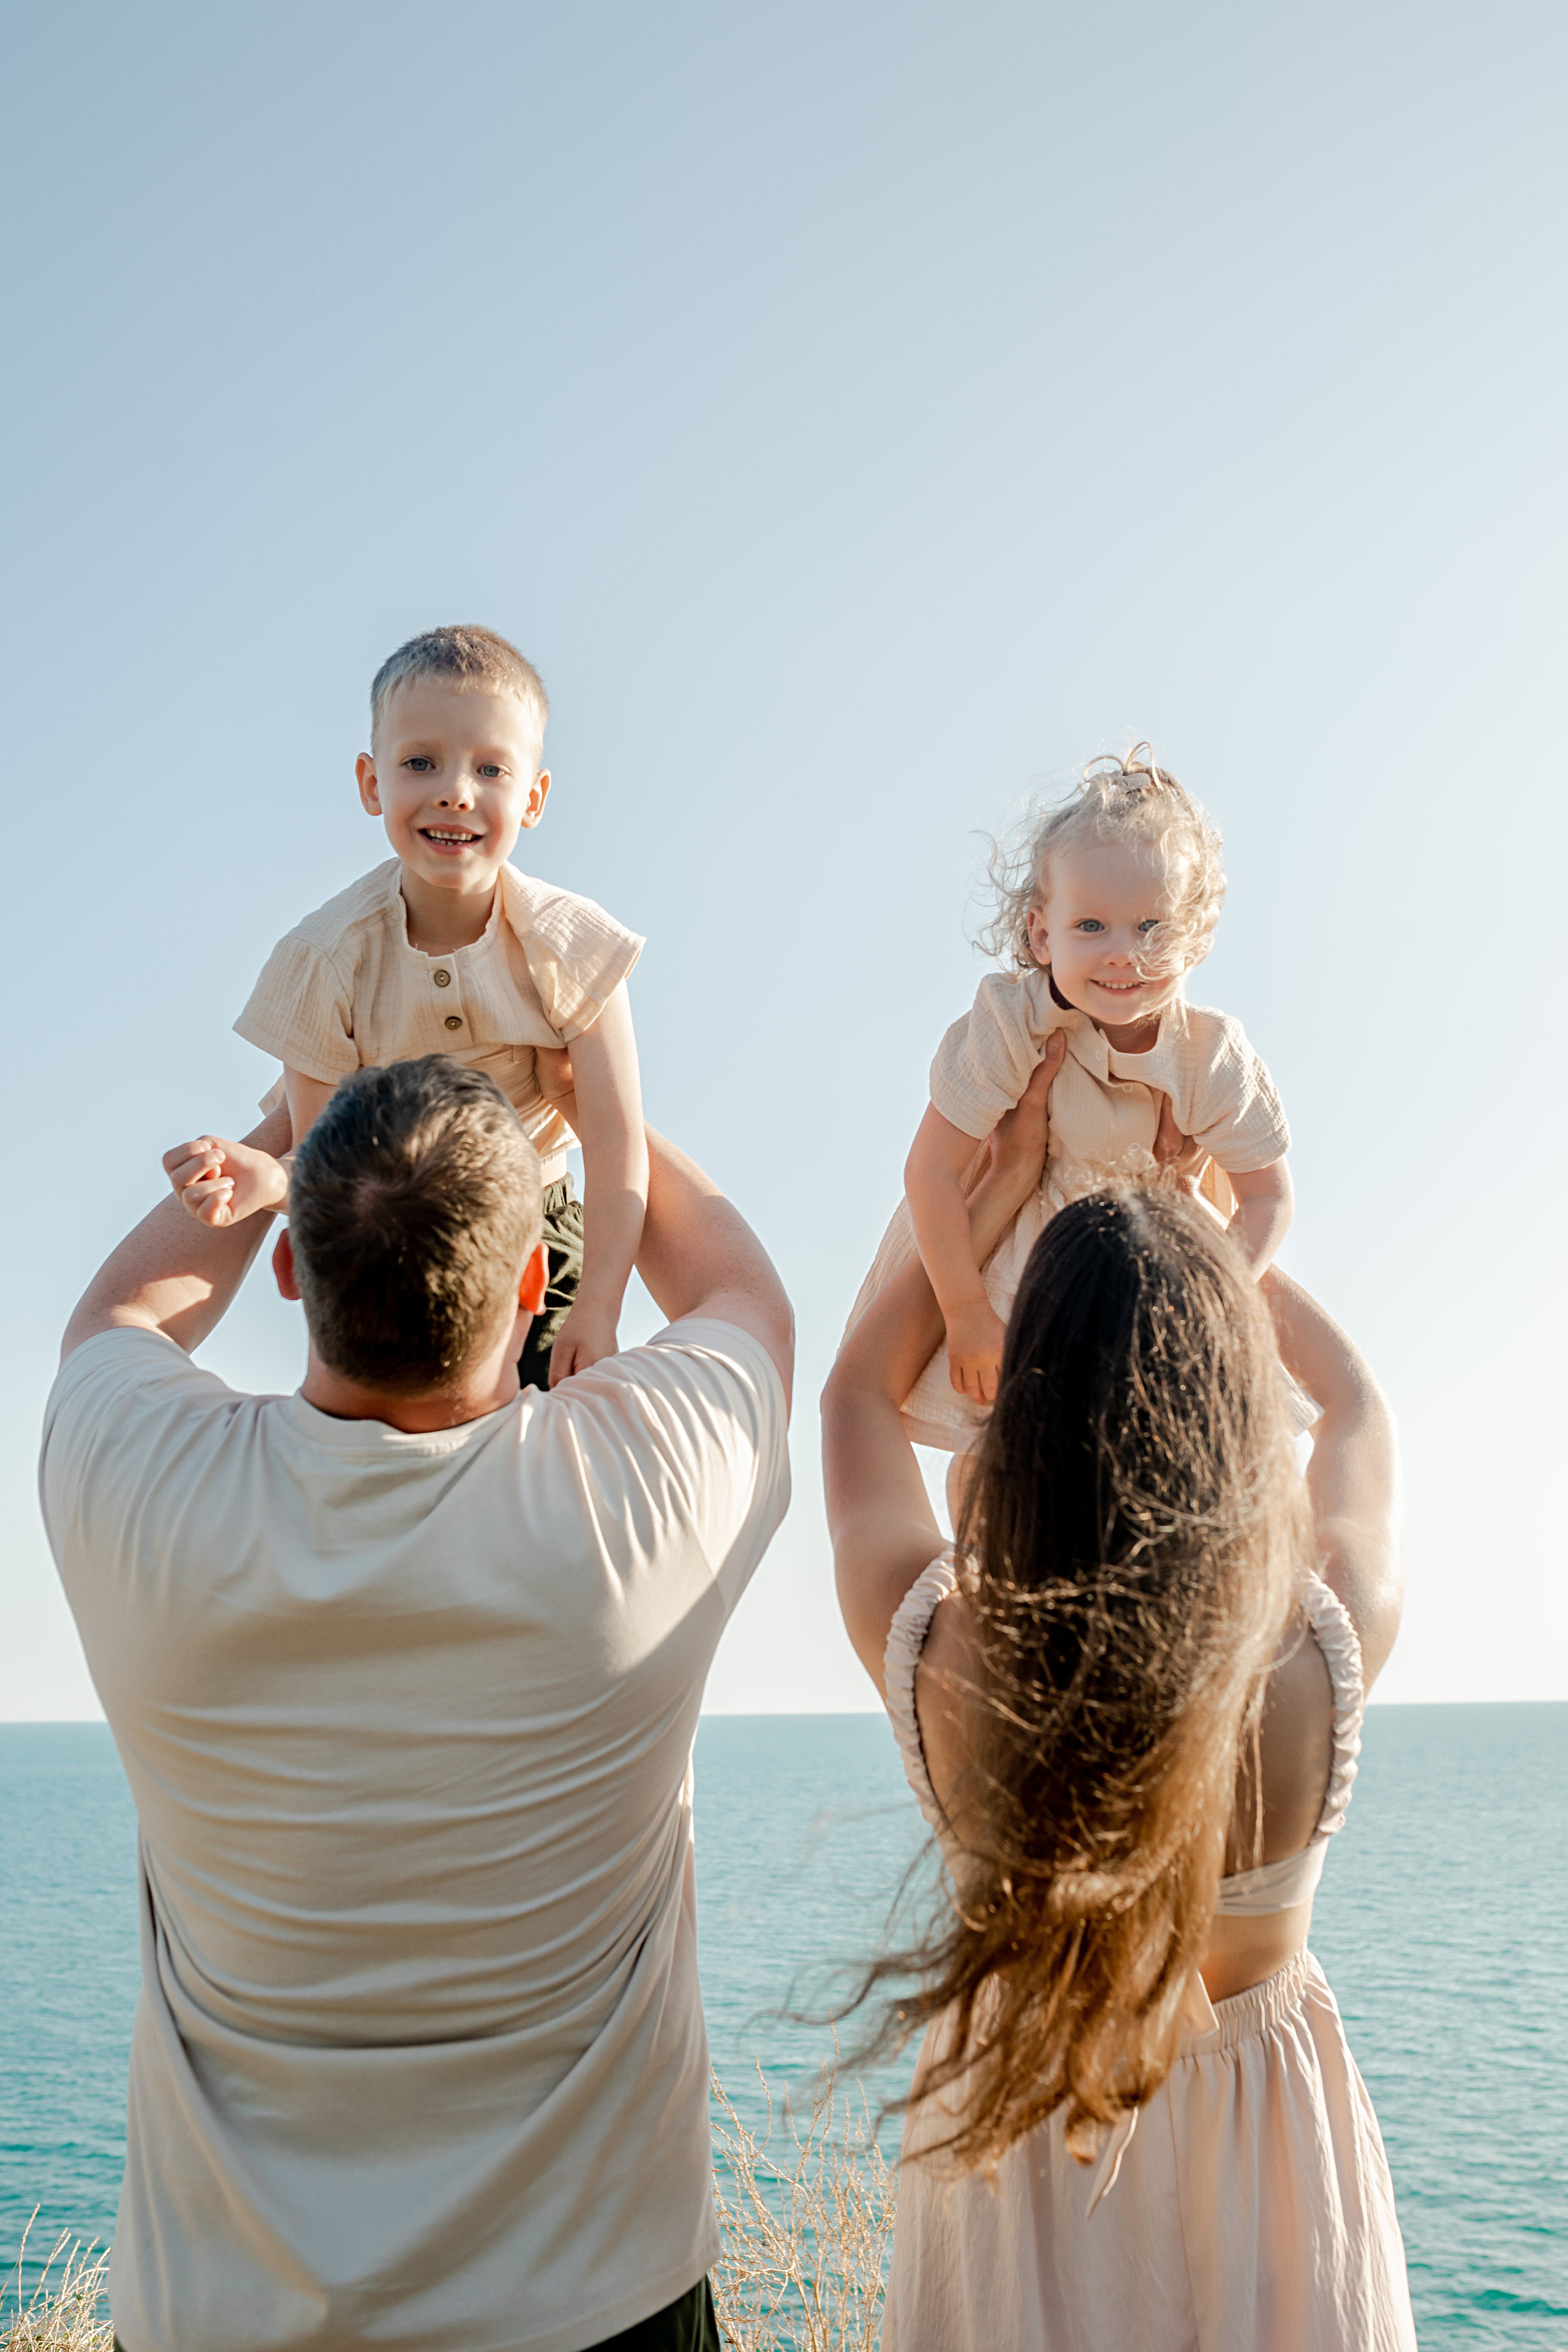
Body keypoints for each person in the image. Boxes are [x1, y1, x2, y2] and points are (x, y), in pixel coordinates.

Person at [40, 1054, 793, 2352]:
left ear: (289, 1269)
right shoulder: (631, 1501)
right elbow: (744, 1301)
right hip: (595, 2305)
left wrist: (293, 1112)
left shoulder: (147, 1491)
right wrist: (591, 1091)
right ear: (527, 1283)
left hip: (222, 2315)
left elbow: (119, 1318)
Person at [824, 1049, 1417, 2351]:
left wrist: (997, 1210)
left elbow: (858, 1396)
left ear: (1021, 1413)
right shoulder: (1318, 1653)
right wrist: (1207, 1241)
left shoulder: (946, 1660)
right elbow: (1357, 1405)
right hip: (1262, 2156)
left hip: (1019, 2147)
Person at [198, 622, 648, 1392]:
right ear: (373, 783)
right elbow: (324, 1158)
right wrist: (273, 1182)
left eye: (491, 769)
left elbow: (613, 1135)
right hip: (396, 1242)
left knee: (535, 1451)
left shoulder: (567, 943)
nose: (455, 790)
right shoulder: (326, 958)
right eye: (420, 762)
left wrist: (598, 1305)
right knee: (407, 1445)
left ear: (534, 797)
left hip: (539, 1224)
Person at [845, 748, 1294, 1460]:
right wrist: (964, 1313)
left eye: (1151, 928)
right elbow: (928, 1173)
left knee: (1146, 1447)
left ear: (1196, 938)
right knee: (998, 1449)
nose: (1122, 953)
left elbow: (1268, 1197)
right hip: (1006, 1252)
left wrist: (1211, 1299)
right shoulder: (1010, 1023)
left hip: (1139, 1256)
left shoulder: (1206, 1053)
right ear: (1039, 933)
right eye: (1091, 927)